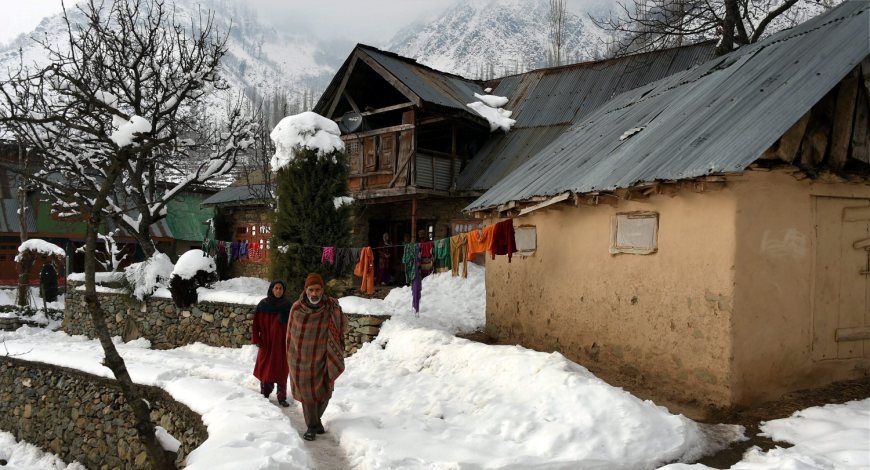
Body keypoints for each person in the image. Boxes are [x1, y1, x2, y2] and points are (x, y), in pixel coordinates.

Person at [286, 273, 347, 441]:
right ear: (305, 290)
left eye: (317, 290)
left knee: (325, 392)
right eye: (311, 290)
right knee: (308, 394)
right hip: (302, 359)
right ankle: (311, 427)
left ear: (322, 290)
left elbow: (343, 326)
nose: (314, 293)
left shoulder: (331, 307)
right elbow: (291, 336)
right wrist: (293, 357)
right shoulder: (297, 309)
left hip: (325, 356)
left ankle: (316, 421)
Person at [252, 280, 291, 407]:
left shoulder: (288, 305)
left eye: (281, 288)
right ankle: (265, 393)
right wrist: (256, 339)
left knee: (281, 370)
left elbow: (293, 325)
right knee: (266, 368)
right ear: (271, 289)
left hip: (281, 344)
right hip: (267, 342)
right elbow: (256, 324)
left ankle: (282, 397)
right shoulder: (263, 304)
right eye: (276, 288)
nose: (278, 291)